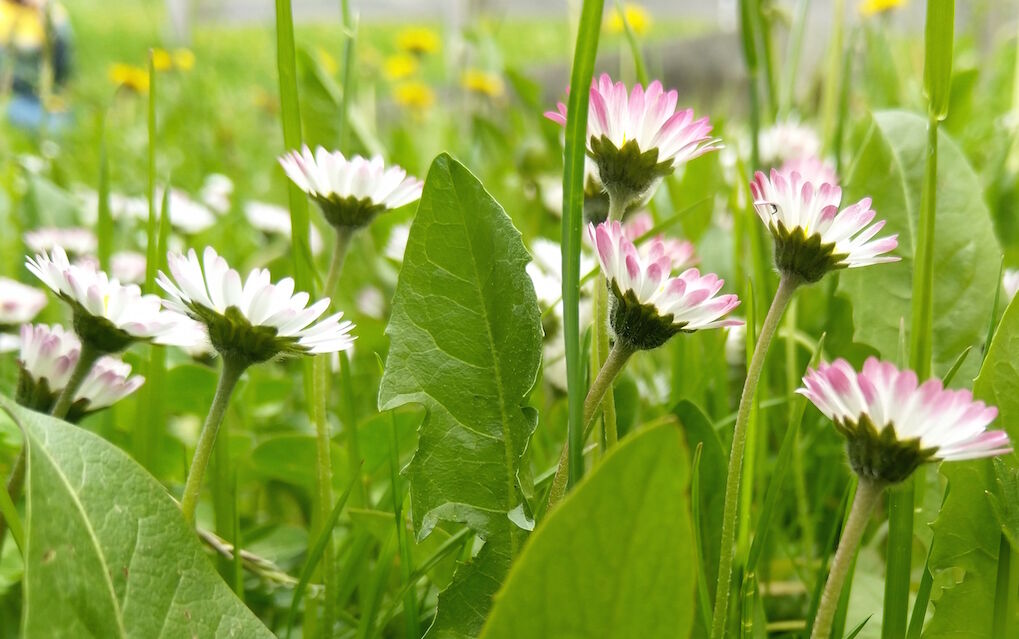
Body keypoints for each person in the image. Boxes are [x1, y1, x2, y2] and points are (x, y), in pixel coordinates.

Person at [0, 0, 73, 133]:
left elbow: (62, 67)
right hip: (12, 94)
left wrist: (48, 19)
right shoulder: (3, 11)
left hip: (39, 95)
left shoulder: (53, 12)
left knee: (59, 122)